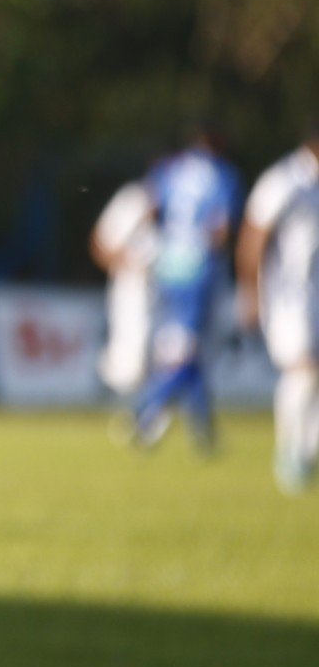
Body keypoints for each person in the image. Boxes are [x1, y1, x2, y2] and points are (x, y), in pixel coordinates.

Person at [128, 130, 242, 454]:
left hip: (168, 265)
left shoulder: (169, 169)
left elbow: (151, 210)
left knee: (182, 349)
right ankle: (144, 411)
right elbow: (220, 229)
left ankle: (203, 430)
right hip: (198, 268)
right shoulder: (222, 174)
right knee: (186, 351)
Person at [236, 129, 319, 494]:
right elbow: (253, 238)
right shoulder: (283, 181)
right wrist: (250, 295)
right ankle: (290, 452)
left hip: (315, 296)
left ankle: (307, 452)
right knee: (303, 370)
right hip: (288, 299)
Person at [89, 176, 159, 399]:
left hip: (173, 289)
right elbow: (100, 243)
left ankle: (150, 408)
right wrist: (124, 267)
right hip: (134, 288)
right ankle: (120, 398)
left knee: (165, 352)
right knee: (131, 353)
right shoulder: (134, 198)